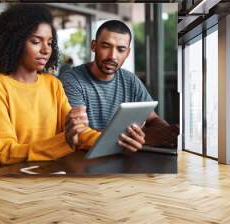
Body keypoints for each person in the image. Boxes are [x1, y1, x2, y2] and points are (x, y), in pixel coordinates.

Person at [0, 4, 97, 172]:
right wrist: (66, 141)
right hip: (1, 177)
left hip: (44, 172)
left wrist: (114, 139)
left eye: (50, 43)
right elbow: (6, 153)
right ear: (15, 42)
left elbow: (77, 133)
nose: (46, 50)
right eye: (36, 42)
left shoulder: (52, 83)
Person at [59, 20, 179, 153]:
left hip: (124, 157)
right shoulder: (72, 80)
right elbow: (80, 134)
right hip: (82, 160)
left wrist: (168, 134)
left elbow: (153, 119)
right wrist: (147, 138)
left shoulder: (130, 80)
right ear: (94, 46)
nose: (112, 56)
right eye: (105, 46)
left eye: (121, 49)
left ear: (127, 53)